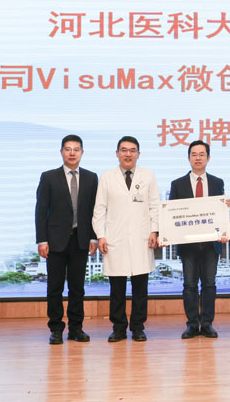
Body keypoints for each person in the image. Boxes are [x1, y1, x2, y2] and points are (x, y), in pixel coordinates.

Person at [92, 136, 159, 342]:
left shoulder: (148, 175)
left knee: (140, 289)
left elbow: (155, 206)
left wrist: (155, 231)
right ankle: (119, 328)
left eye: (132, 150)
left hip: (141, 239)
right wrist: (101, 235)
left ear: (138, 154)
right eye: (124, 150)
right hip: (115, 239)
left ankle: (138, 327)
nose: (128, 154)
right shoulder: (106, 177)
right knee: (117, 289)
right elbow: (99, 209)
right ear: (117, 153)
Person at [35, 134, 98, 345]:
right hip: (55, 241)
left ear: (82, 152)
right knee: (55, 287)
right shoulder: (49, 177)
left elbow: (94, 211)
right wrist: (42, 240)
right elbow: (41, 210)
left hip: (80, 239)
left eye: (76, 149)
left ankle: (76, 328)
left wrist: (93, 237)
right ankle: (55, 329)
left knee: (77, 288)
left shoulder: (91, 178)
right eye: (68, 149)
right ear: (61, 152)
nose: (72, 153)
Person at [169, 140, 229, 339]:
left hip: (211, 244)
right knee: (190, 285)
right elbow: (172, 214)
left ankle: (208, 323)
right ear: (188, 158)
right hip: (188, 244)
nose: (198, 158)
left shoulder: (217, 182)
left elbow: (220, 212)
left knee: (210, 285)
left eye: (202, 154)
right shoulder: (177, 184)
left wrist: (225, 206)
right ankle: (193, 324)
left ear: (208, 158)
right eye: (194, 154)